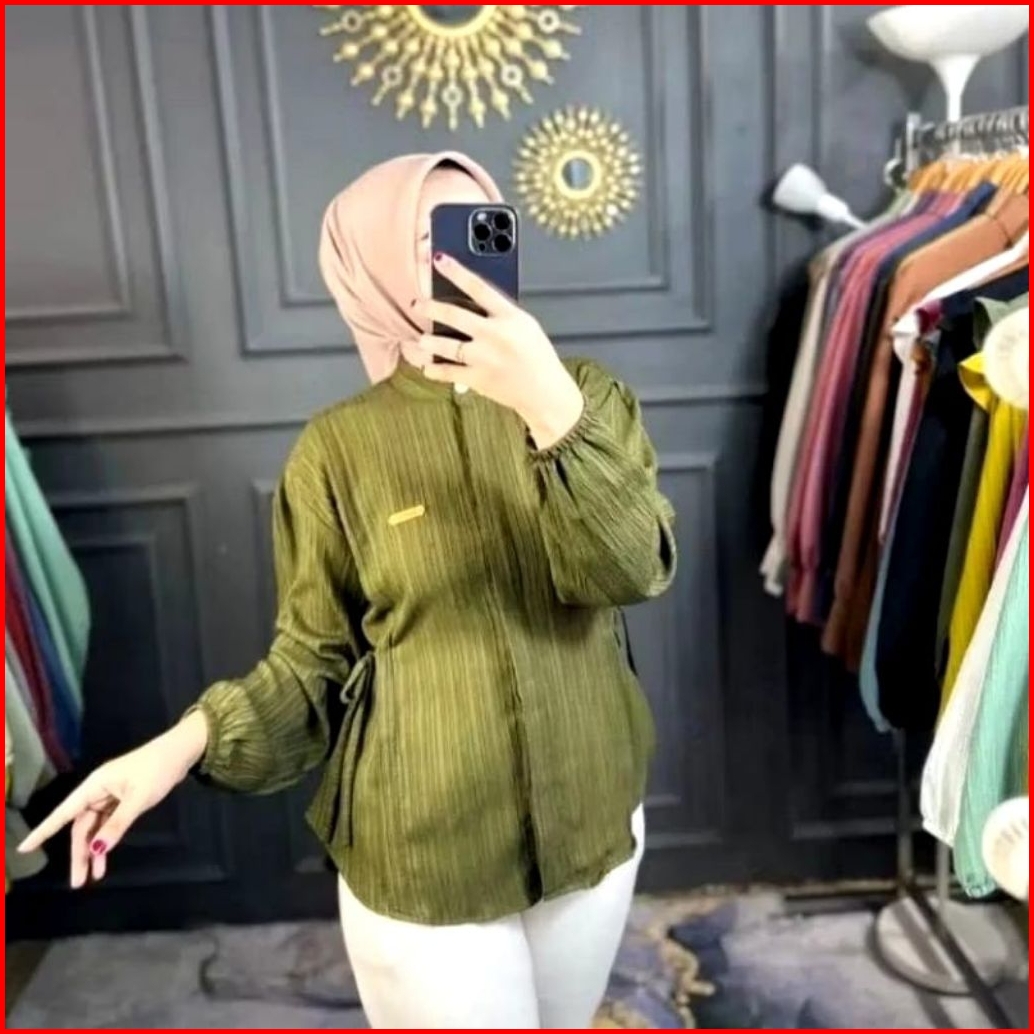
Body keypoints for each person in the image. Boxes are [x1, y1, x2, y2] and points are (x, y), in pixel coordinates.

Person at [20, 152, 677, 1028]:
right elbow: (313, 663)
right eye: (429, 237)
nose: (458, 258)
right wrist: (179, 747)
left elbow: (632, 570)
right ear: (371, 269)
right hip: (424, 852)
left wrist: (550, 409)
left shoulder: (589, 398)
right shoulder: (337, 451)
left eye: (483, 228)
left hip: (594, 814)